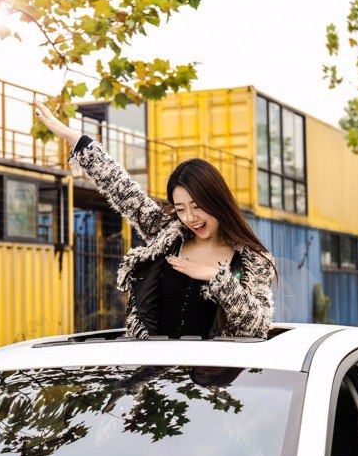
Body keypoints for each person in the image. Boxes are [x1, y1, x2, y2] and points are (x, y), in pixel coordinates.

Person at [33, 100, 277, 339]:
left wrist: (218, 278)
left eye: (197, 206)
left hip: (213, 367)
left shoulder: (253, 260)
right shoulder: (167, 234)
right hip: (153, 365)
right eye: (180, 209)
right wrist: (73, 138)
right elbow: (122, 189)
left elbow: (257, 327)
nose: (190, 218)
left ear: (216, 200)